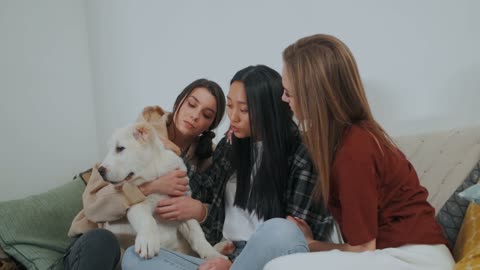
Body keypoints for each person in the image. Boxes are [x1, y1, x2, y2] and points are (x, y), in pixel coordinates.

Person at [263, 34, 455, 270]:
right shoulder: (351, 139)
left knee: (279, 267)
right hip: (397, 253)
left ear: (313, 97)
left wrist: (310, 244)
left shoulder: (354, 150)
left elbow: (363, 249)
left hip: (415, 259)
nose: (283, 99)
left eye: (288, 92)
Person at [121, 65, 333, 270]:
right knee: (134, 256)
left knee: (282, 229)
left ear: (270, 111)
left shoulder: (302, 152)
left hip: (267, 258)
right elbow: (208, 204)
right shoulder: (229, 147)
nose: (233, 117)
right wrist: (172, 152)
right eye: (230, 106)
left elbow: (296, 238)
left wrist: (234, 262)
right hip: (225, 253)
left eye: (244, 109)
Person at [63, 78, 226, 270]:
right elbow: (93, 206)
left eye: (206, 115)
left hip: (149, 257)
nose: (195, 115)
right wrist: (151, 187)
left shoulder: (210, 160)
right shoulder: (134, 138)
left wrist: (201, 210)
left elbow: (220, 213)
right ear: (178, 102)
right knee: (102, 241)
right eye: (191, 104)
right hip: (100, 247)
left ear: (210, 125)